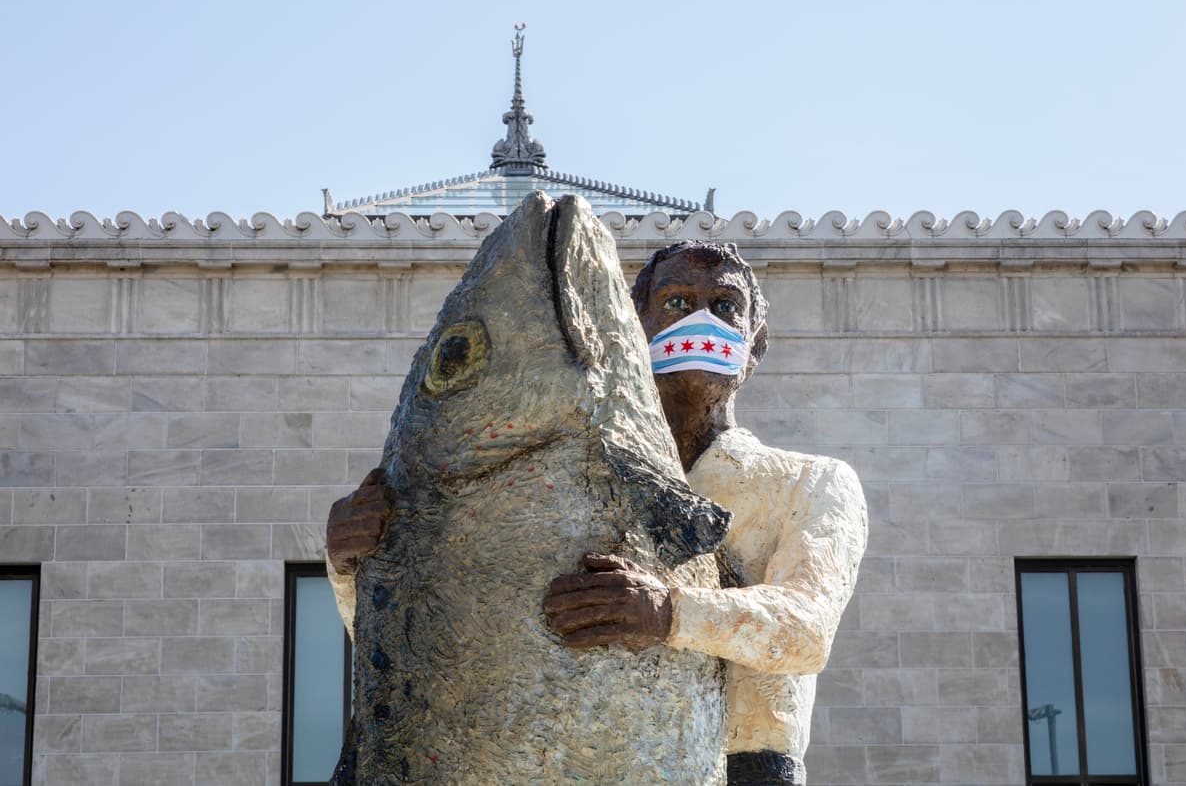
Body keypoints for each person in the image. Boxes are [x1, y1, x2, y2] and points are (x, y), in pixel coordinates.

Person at [327, 241, 868, 786]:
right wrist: (353, 564)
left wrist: (667, 612)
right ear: (636, 328)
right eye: (677, 302)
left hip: (742, 767)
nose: (701, 321)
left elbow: (807, 629)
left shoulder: (811, 483)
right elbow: (445, 631)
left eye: (726, 306)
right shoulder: (567, 473)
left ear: (757, 344)